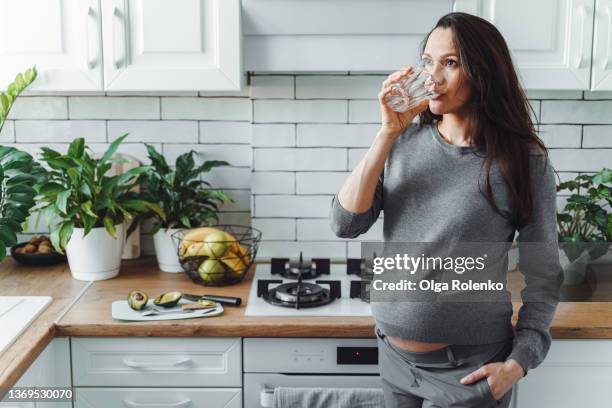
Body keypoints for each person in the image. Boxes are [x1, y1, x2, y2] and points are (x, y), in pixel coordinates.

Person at [328, 12, 563, 408]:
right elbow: (345, 223)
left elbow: (544, 273)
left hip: (472, 367)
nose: (432, 76)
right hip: (394, 355)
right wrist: (386, 133)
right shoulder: (402, 142)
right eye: (427, 61)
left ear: (483, 72)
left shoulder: (524, 160)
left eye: (450, 63)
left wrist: (520, 361)